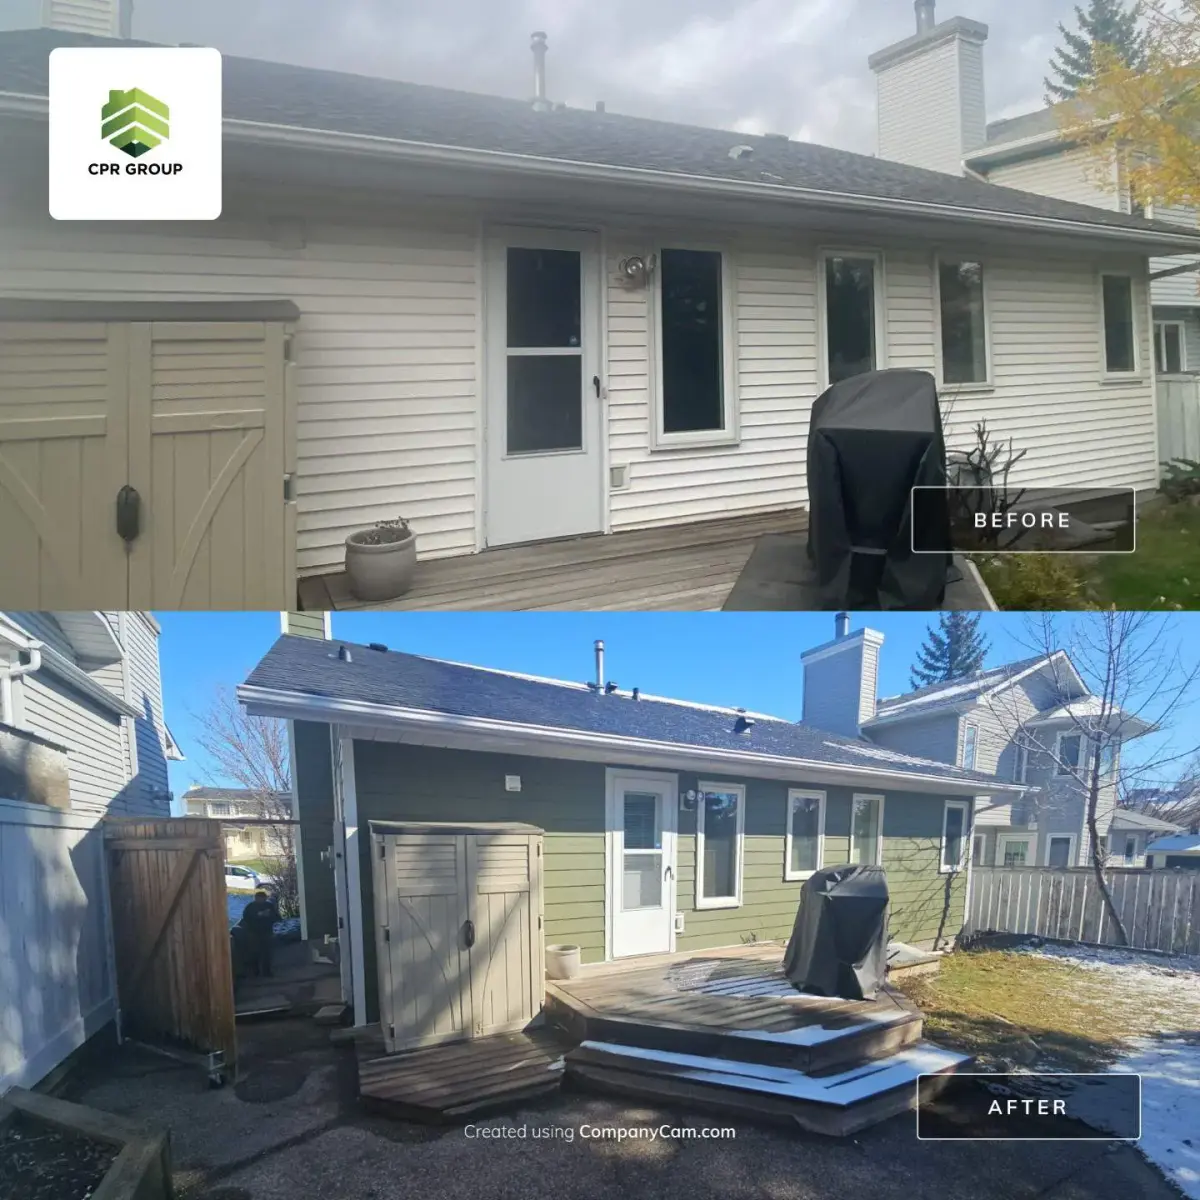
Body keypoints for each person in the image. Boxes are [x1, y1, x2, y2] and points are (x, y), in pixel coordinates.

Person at [238, 889, 280, 978]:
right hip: (254, 933)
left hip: (267, 932)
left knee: (267, 953)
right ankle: (255, 972)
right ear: (256, 898)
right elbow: (246, 918)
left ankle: (267, 972)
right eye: (259, 898)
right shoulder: (250, 907)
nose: (261, 900)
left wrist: (269, 916)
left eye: (263, 898)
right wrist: (259, 915)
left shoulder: (269, 906)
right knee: (254, 953)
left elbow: (276, 917)